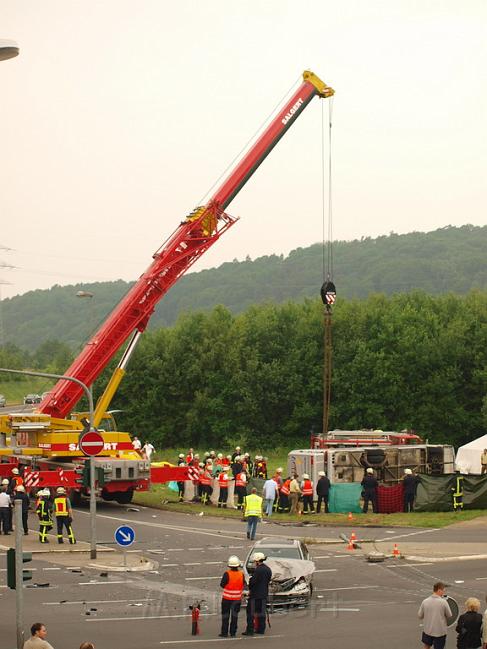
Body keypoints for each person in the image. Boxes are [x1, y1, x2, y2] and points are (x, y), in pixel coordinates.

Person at [242, 552, 272, 636]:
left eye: (255, 561)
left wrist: (250, 582)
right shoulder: (268, 569)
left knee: (250, 613)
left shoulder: (258, 570)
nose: (254, 563)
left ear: (257, 561)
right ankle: (261, 629)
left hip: (255, 595)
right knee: (261, 613)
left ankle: (250, 630)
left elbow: (253, 582)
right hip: (264, 594)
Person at [418, 581, 452, 649]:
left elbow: (420, 616)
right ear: (439, 590)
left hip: (427, 630)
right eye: (443, 590)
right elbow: (449, 615)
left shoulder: (425, 601)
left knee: (426, 646)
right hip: (440, 632)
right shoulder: (443, 602)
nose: (444, 592)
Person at [219, 555, 245, 638]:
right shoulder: (241, 574)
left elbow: (222, 584)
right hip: (237, 599)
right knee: (234, 616)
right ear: (238, 565)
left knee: (225, 616)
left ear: (229, 565)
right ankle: (233, 632)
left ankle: (224, 632)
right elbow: (243, 584)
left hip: (226, 599)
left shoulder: (227, 574)